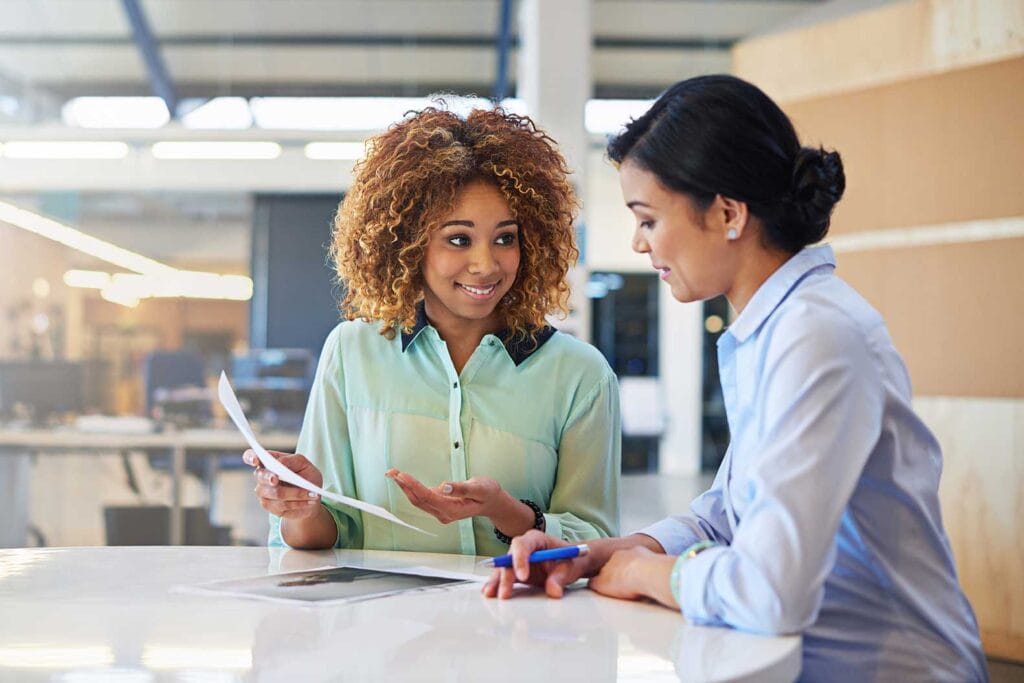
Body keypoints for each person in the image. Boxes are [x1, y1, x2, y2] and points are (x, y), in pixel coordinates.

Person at [483, 75, 987, 682]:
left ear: (727, 213)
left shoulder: (816, 335)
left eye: (648, 219)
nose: (639, 243)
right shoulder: (771, 330)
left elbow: (771, 593)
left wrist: (645, 573)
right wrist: (596, 554)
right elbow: (722, 517)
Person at [245, 105, 620, 557]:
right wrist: (301, 508)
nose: (485, 264)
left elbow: (594, 540)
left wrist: (508, 513)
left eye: (505, 238)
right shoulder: (352, 351)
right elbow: (325, 535)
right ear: (409, 244)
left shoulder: (581, 375)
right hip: (382, 605)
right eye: (459, 239)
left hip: (517, 603)